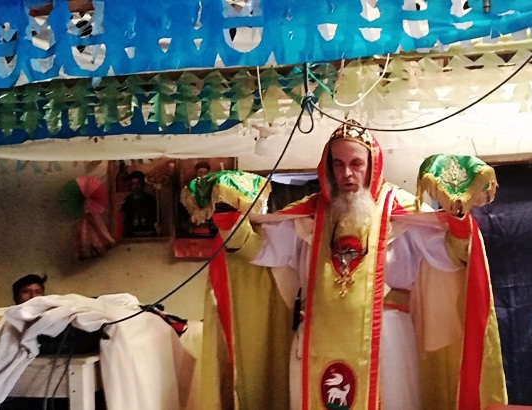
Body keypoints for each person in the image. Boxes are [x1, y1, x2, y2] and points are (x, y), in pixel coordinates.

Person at [185, 121, 507, 410]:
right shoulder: (308, 215)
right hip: (316, 342)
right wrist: (229, 216)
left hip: (387, 344)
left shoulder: (403, 211)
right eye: (338, 164)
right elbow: (258, 251)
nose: (347, 174)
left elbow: (453, 257)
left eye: (356, 164)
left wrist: (458, 216)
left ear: (372, 165)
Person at [121, 171, 158, 237]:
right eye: (133, 183)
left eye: (138, 183)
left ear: (142, 184)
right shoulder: (127, 201)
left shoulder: (150, 199)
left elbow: (155, 217)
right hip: (131, 235)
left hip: (148, 234)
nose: (136, 186)